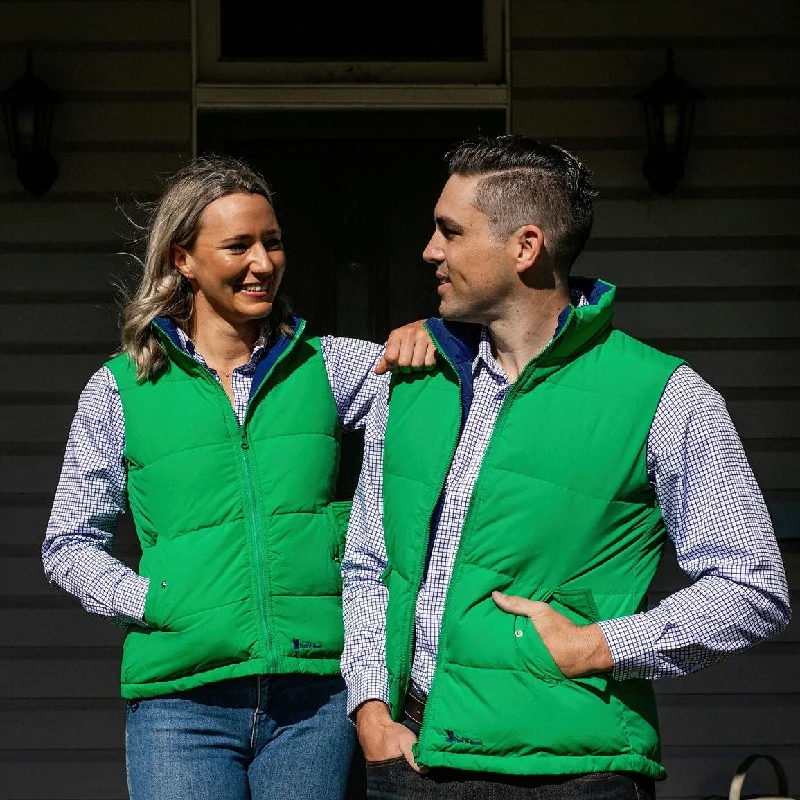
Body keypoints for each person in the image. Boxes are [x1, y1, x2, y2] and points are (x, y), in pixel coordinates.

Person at [341, 134, 791, 799]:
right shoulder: (411, 382)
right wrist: (371, 710)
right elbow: (367, 565)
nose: (430, 251)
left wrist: (598, 647)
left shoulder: (663, 395)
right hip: (416, 766)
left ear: (525, 248)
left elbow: (751, 587)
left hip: (577, 774)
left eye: (450, 232)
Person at [41, 154, 436, 800]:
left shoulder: (326, 366)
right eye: (239, 246)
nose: (263, 263)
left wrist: (431, 336)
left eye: (273, 242)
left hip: (312, 699)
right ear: (183, 260)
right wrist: (158, 600)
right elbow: (68, 545)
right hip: (181, 704)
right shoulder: (122, 390)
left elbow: (433, 401)